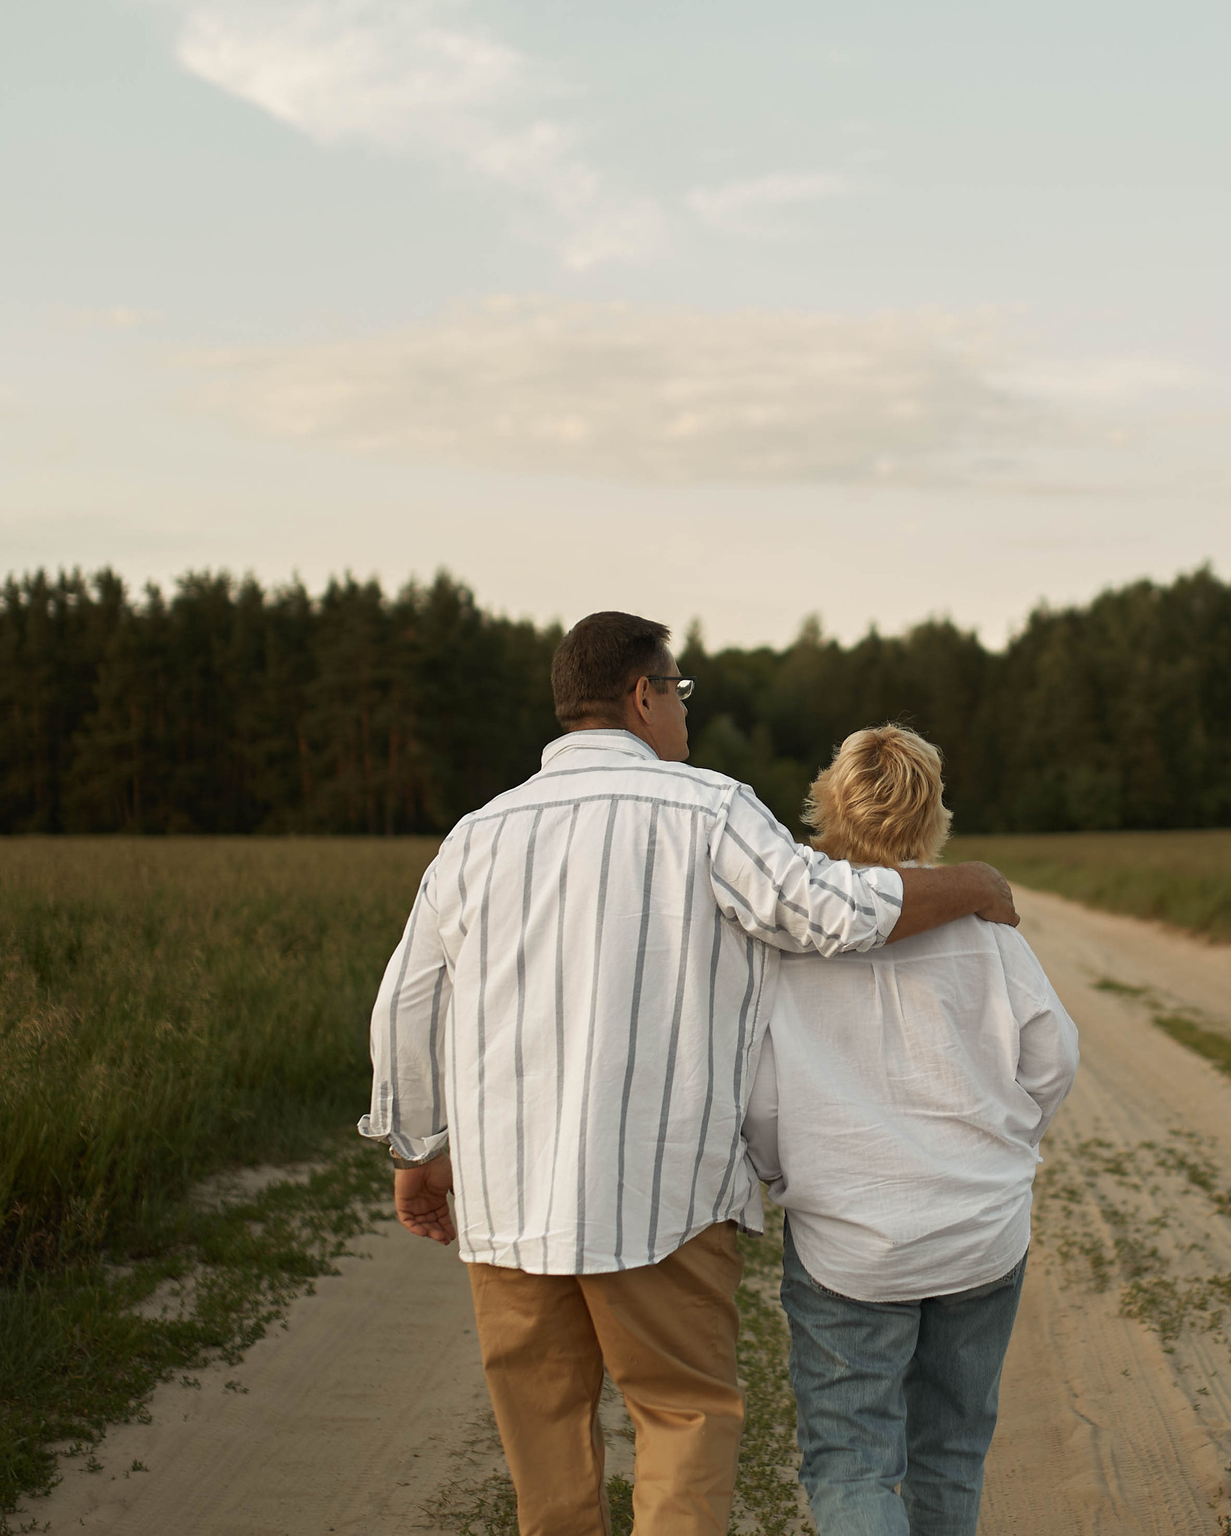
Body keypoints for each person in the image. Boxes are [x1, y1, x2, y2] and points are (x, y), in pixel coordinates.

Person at [359, 613, 1022, 1536]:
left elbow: (406, 1002)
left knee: (547, 1463)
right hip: (662, 1202)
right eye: (680, 692)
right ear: (643, 696)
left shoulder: (476, 835)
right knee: (683, 1422)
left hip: (507, 1207)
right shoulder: (706, 808)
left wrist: (419, 1148)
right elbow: (825, 910)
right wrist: (974, 885)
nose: (684, 715)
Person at [745, 725, 1078, 1536]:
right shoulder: (984, 922)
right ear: (934, 814)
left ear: (828, 801)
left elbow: (759, 1098)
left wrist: (792, 1172)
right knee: (951, 1451)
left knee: (853, 1460)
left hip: (850, 1241)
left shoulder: (792, 942)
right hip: (981, 1230)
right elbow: (1053, 1054)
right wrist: (1006, 1143)